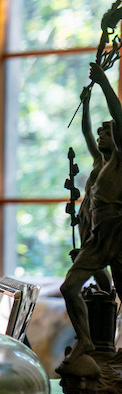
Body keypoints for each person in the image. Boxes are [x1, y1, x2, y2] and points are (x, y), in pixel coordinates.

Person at [60, 60, 122, 377]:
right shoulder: (100, 162)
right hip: (98, 239)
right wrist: (85, 105)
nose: (100, 136)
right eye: (101, 132)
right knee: (70, 287)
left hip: (120, 237)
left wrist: (103, 82)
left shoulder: (121, 162)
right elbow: (85, 131)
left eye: (107, 131)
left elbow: (120, 116)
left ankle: (113, 349)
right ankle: (86, 342)